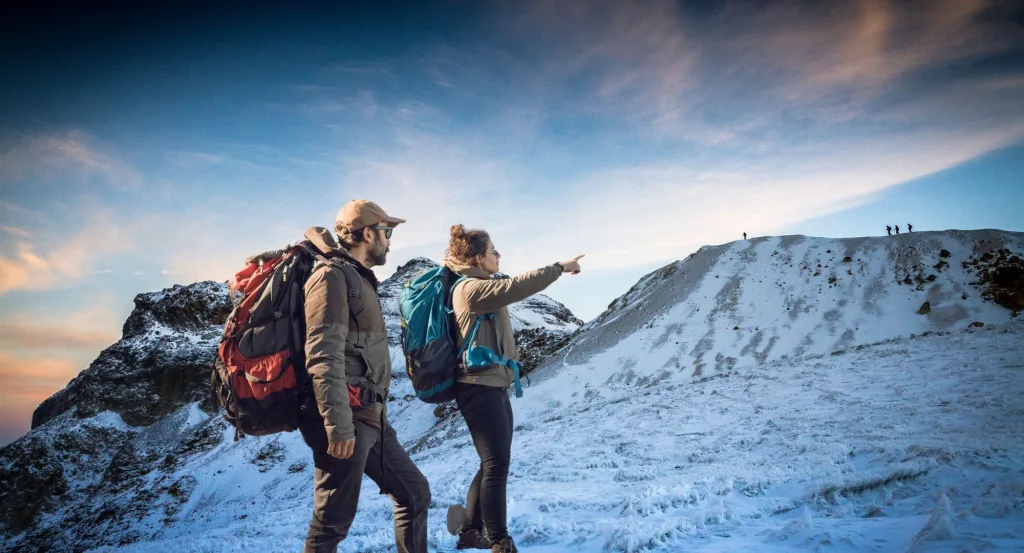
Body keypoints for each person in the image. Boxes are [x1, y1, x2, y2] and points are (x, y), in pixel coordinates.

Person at [298, 200, 430, 553]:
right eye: (386, 232)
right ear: (367, 233)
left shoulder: (358, 279)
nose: (390, 241)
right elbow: (323, 355)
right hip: (347, 419)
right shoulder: (331, 277)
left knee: (415, 493)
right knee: (331, 525)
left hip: (370, 420)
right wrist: (338, 424)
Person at [443, 225, 583, 553]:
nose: (499, 255)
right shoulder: (470, 289)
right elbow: (516, 286)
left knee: (492, 461)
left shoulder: (481, 285)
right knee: (496, 465)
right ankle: (500, 541)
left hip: (493, 386)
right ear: (478, 257)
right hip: (478, 388)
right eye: (494, 251)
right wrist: (560, 267)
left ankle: (470, 532)